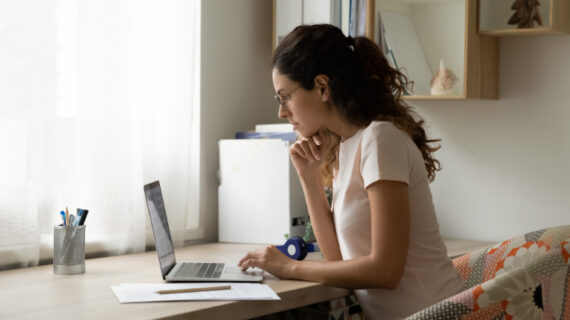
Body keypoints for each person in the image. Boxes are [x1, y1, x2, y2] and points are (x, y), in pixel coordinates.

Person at [238, 24, 464, 319]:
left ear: (322, 86)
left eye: (285, 97)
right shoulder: (346, 148)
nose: (282, 112)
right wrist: (309, 177)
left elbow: (386, 271)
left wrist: (289, 266)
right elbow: (339, 261)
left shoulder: (380, 139)